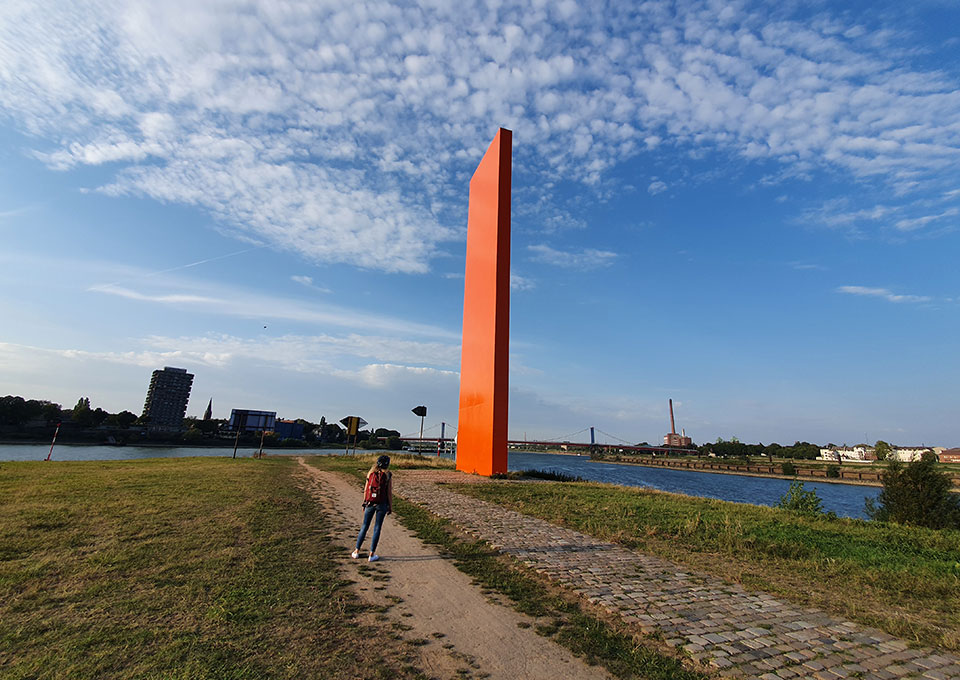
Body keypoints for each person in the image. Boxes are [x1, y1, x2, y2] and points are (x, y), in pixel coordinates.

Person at [352, 455, 392, 562]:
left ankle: (356, 551)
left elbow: (366, 489)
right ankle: (371, 554)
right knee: (377, 528)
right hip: (382, 504)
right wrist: (390, 506)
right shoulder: (388, 475)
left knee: (364, 526)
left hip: (370, 503)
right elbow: (389, 493)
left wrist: (365, 503)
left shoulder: (370, 473)